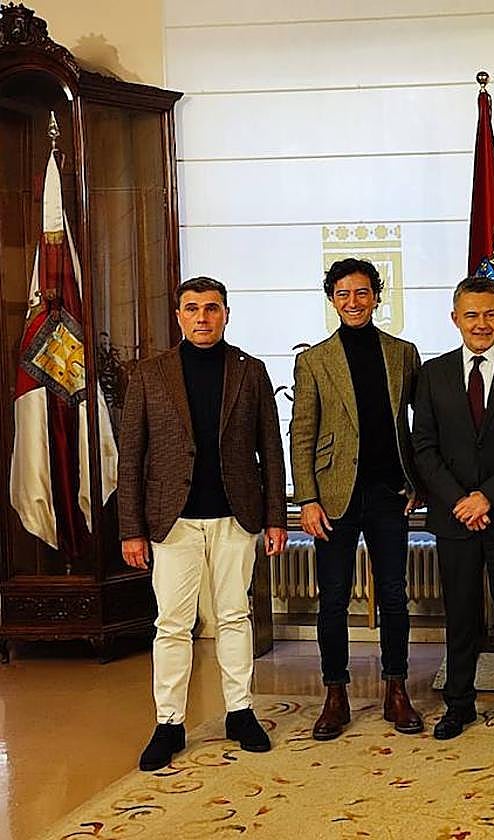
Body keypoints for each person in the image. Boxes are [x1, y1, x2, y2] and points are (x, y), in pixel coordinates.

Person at [118, 276, 287, 771]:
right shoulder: (150, 375)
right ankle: (169, 722)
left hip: (237, 517)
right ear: (179, 316)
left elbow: (270, 453)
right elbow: (131, 459)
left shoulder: (250, 372)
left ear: (226, 314)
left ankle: (240, 711)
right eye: (191, 309)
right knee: (172, 623)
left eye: (211, 308)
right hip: (172, 522)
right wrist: (131, 528)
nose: (202, 317)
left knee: (235, 617)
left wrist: (275, 517)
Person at [290, 258, 424, 740]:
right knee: (332, 599)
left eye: (362, 293)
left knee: (394, 595)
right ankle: (335, 693)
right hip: (332, 497)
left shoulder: (403, 353)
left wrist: (417, 483)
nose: (353, 302)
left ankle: (396, 690)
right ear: (332, 299)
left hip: (390, 492)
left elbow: (418, 426)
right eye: (343, 294)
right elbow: (301, 433)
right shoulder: (314, 360)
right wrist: (306, 498)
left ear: (376, 296)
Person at [412, 275, 494, 743]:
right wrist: (460, 501)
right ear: (455, 319)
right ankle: (458, 705)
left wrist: (486, 497)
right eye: (472, 315)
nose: (482, 323)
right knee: (461, 614)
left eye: (491, 314)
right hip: (454, 519)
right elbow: (424, 448)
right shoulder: (431, 374)